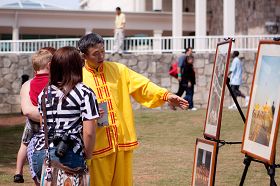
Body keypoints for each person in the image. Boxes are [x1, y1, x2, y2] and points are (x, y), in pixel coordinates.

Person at [78, 32, 189, 186]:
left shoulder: (118, 70)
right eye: (95, 53)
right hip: (97, 146)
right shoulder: (78, 78)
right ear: (84, 56)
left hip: (122, 142)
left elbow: (143, 85)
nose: (101, 56)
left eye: (103, 51)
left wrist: (165, 95)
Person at [31, 46, 100, 180]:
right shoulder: (85, 92)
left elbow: (43, 124)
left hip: (40, 154)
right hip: (69, 153)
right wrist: (88, 156)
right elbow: (89, 132)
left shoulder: (44, 93)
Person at [14, 48, 54, 184]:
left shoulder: (30, 83)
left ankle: (18, 172)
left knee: (24, 144)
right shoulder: (52, 83)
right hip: (44, 125)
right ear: (50, 66)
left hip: (32, 122)